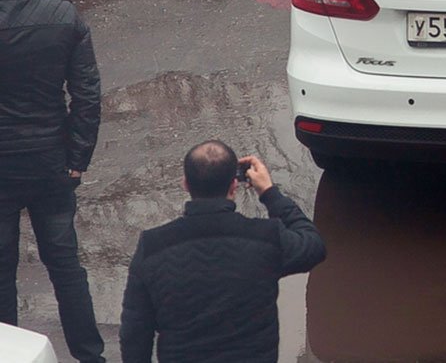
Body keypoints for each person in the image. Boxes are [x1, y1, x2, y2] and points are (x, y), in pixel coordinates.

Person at [120, 140, 326, 362]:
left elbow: (135, 333)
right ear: (234, 185)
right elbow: (313, 246)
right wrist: (269, 192)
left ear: (186, 184)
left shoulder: (152, 246)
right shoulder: (266, 238)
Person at [0, 0, 105, 362]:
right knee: (65, 267)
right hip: (52, 165)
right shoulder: (63, 16)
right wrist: (77, 160)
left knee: (1, 275)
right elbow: (87, 96)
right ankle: (89, 355)